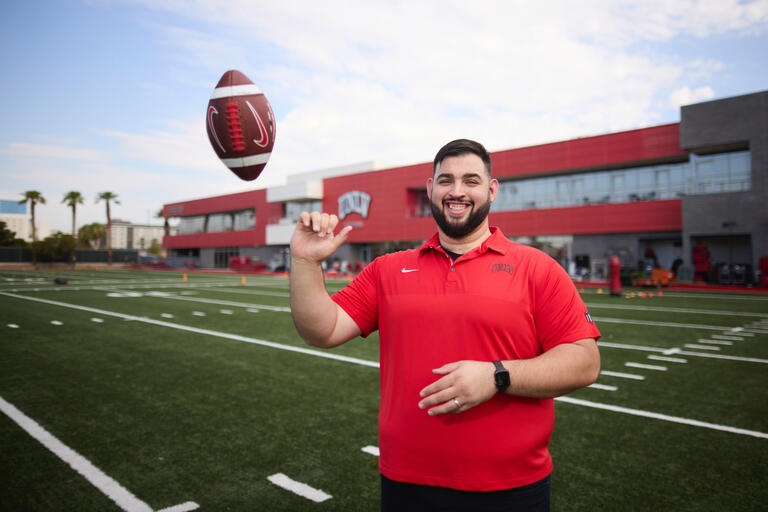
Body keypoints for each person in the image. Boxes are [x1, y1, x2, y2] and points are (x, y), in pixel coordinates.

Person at [289, 139, 601, 511]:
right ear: (430, 190)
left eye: (471, 180)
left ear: (491, 189)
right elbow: (322, 331)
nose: (457, 191)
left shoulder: (537, 267)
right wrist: (306, 262)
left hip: (511, 487)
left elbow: (584, 362)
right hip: (406, 482)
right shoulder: (388, 269)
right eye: (445, 180)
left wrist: (495, 376)